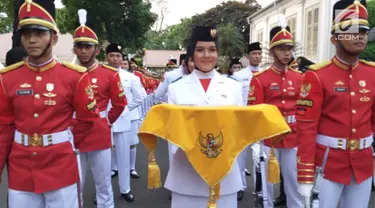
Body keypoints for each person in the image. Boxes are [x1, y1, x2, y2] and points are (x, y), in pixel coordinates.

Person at [0, 1, 99, 207]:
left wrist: (64, 139)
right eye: (26, 34)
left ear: (53, 38)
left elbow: (87, 120)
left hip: (60, 165)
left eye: (39, 33)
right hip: (21, 169)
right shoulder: (7, 78)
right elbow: (4, 129)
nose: (32, 40)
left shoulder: (75, 77)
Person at [296, 1, 374, 207]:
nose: (359, 36)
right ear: (334, 39)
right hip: (327, 165)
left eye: (363, 31)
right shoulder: (317, 75)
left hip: (363, 163)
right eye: (351, 31)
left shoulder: (372, 73)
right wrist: (305, 174)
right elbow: (306, 128)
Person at [165, 25, 243, 208]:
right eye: (200, 50)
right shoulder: (176, 87)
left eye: (212, 50)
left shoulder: (233, 87)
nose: (206, 55)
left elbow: (239, 129)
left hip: (224, 174)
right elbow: (173, 134)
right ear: (192, 54)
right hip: (187, 173)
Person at [71, 9, 127, 207]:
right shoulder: (67, 73)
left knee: (103, 184)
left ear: (96, 50)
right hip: (73, 133)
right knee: (74, 185)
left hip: (98, 132)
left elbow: (120, 104)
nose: (83, 51)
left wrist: (105, 120)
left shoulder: (109, 74)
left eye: (88, 47)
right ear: (74, 50)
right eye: (79, 47)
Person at [248, 21, 303, 208]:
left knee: (295, 183)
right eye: (281, 49)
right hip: (270, 138)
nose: (287, 53)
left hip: (293, 136)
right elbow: (254, 113)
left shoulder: (300, 78)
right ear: (272, 52)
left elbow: (305, 110)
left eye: (289, 48)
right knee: (268, 185)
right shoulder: (260, 80)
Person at [107, 44, 142, 202]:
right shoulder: (96, 75)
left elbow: (139, 98)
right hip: (103, 122)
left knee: (123, 156)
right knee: (103, 161)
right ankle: (103, 192)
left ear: (122, 58)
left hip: (122, 121)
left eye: (118, 56)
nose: (115, 59)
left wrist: (125, 110)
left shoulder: (131, 78)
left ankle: (125, 189)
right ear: (106, 57)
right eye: (111, 55)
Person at [231, 41, 262, 201]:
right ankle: (240, 186)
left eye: (259, 53)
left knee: (259, 157)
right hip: (243, 121)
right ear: (248, 56)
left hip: (259, 122)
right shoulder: (239, 76)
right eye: (254, 53)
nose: (257, 56)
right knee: (240, 158)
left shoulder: (265, 74)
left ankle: (259, 189)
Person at [119, 58, 146, 179]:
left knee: (132, 143)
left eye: (126, 63)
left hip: (131, 115)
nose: (123, 65)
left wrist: (125, 109)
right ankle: (115, 168)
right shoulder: (110, 75)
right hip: (114, 116)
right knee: (114, 145)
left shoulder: (134, 78)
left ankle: (132, 168)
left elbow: (141, 96)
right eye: (122, 63)